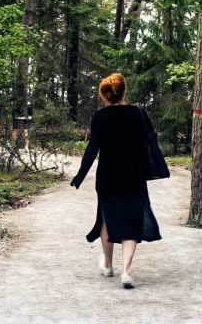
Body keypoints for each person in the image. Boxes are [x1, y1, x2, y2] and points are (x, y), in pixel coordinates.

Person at [69, 72, 169, 288]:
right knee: (132, 221)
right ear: (124, 91)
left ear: (105, 95)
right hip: (133, 176)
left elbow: (92, 149)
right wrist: (157, 168)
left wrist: (79, 176)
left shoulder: (100, 117)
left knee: (106, 218)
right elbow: (151, 142)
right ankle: (126, 272)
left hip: (108, 177)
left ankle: (108, 265)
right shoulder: (139, 114)